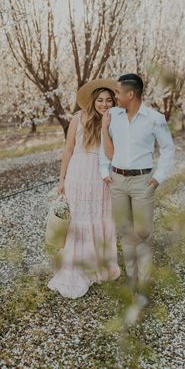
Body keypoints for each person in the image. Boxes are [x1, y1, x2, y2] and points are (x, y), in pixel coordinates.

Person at [99, 73, 175, 299]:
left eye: (118, 93)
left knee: (142, 233)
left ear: (130, 94)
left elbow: (168, 148)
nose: (115, 97)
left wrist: (159, 176)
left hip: (143, 182)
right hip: (117, 181)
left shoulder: (155, 118)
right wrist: (105, 171)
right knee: (124, 231)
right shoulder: (112, 115)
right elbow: (105, 143)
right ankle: (131, 280)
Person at [48, 79, 121, 299]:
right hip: (78, 175)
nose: (104, 104)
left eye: (109, 100)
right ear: (93, 100)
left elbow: (111, 154)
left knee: (99, 218)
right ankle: (76, 268)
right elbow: (68, 149)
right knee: (79, 221)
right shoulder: (77, 118)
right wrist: (62, 179)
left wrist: (107, 126)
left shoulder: (115, 121)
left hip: (100, 176)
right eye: (100, 100)